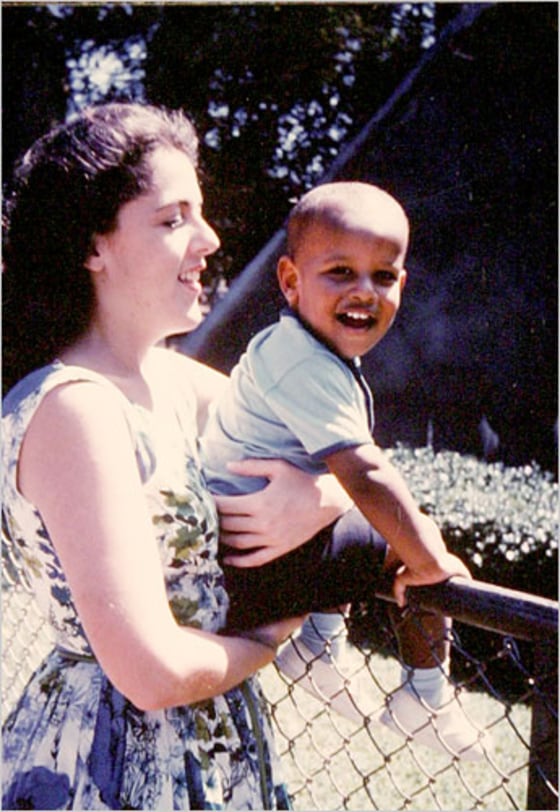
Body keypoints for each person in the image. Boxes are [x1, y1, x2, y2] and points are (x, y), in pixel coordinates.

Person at [1, 102, 353, 810]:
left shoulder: (175, 383)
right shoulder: (76, 408)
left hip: (216, 749)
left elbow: (356, 456)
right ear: (92, 247)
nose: (210, 238)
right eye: (173, 219)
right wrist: (273, 631)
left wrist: (319, 498)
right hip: (108, 764)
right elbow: (150, 671)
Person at [200, 181, 489, 760]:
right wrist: (434, 561)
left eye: (383, 277)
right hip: (252, 563)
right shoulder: (307, 364)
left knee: (356, 514)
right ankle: (425, 698)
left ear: (402, 286)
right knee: (403, 535)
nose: (365, 291)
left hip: (242, 554)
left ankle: (319, 643)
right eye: (340, 272)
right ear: (290, 281)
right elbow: (366, 474)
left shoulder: (293, 348)